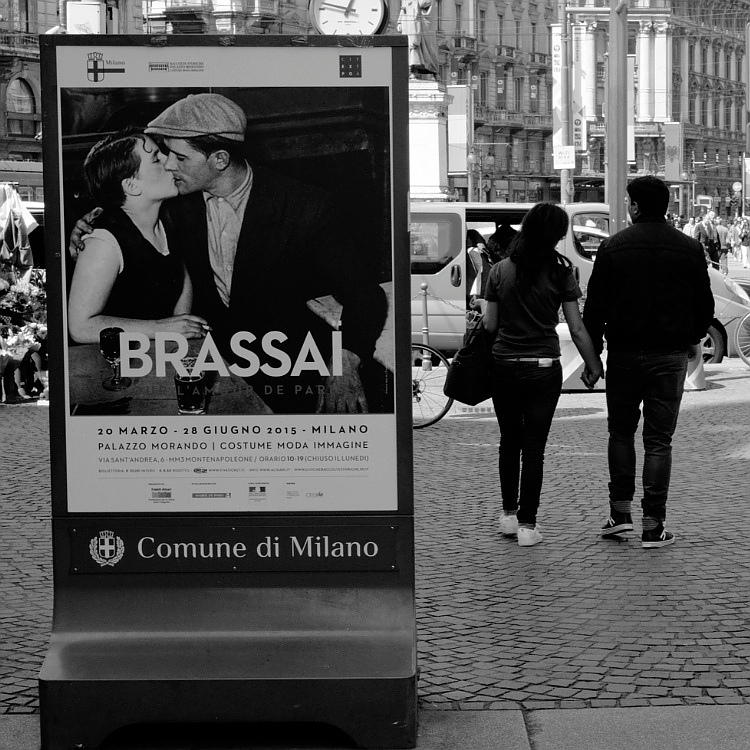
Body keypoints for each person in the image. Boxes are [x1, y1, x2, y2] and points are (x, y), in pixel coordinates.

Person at [71, 94, 387, 414]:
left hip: (288, 365)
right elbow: (127, 210)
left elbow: (365, 296)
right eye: (164, 154)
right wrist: (91, 222)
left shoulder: (305, 207)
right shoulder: (174, 201)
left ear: (219, 160)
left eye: (180, 157)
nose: (168, 164)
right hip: (208, 367)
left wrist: (346, 362)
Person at [582, 176, 714, 549]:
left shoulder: (612, 247)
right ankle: (653, 526)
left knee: (620, 433)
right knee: (659, 441)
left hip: (624, 353)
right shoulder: (689, 248)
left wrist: (593, 358)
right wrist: (692, 338)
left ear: (636, 207)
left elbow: (595, 309)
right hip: (670, 355)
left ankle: (620, 515)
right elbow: (704, 305)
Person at [483, 203, 603, 548]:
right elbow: (576, 328)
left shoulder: (500, 270)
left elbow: (490, 324)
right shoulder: (561, 271)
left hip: (504, 366)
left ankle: (508, 515)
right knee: (534, 449)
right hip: (543, 368)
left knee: (509, 441)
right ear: (557, 234)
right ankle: (527, 526)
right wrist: (594, 365)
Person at [67, 129, 208, 344]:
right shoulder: (103, 243)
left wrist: (181, 329)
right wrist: (162, 329)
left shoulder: (169, 221)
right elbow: (80, 327)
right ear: (131, 186)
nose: (169, 161)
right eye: (156, 159)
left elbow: (180, 283)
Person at [398, 0, 439, 79]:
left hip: (424, 27)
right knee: (412, 46)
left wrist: (411, 3)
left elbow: (425, 3)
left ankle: (432, 72)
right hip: (411, 27)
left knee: (428, 50)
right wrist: (400, 22)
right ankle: (413, 70)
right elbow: (403, 8)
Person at [465, 229, 491, 314]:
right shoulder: (482, 251)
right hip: (482, 288)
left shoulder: (472, 251)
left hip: (476, 289)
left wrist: (475, 294)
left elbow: (480, 272)